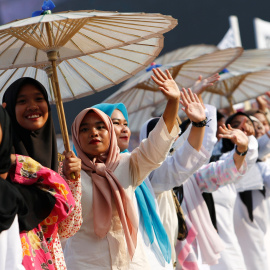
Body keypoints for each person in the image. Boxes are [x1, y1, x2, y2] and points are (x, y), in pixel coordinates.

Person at [64, 68, 183, 270]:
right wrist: (68, 180)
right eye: (84, 129)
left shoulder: (126, 164)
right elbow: (64, 223)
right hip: (86, 264)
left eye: (101, 127)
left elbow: (157, 145)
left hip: (132, 263)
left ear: (111, 133)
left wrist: (173, 102)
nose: (93, 132)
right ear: (76, 136)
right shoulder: (68, 171)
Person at [2, 77, 82, 270]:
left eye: (39, 99)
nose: (32, 106)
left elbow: (68, 228)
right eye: (22, 101)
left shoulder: (60, 163)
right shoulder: (5, 165)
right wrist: (24, 165)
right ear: (9, 110)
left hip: (51, 259)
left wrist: (73, 181)